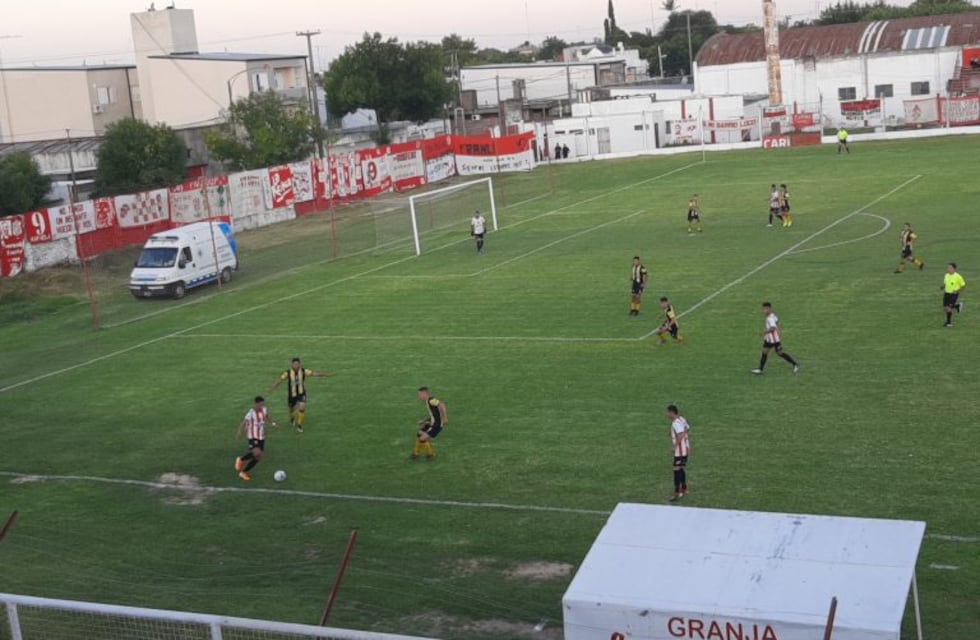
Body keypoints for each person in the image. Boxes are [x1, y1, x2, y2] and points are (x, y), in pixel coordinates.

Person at [270, 357, 333, 432]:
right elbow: (280, 380)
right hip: (292, 395)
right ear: (292, 365)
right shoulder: (288, 373)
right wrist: (273, 387)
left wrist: (324, 374)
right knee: (291, 409)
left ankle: (299, 425)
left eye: (297, 364)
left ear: (300, 364)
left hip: (301, 393)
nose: (296, 366)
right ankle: (292, 418)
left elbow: (313, 374)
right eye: (295, 364)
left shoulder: (303, 371)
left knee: (302, 408)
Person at [234, 396, 278, 481]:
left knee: (258, 457)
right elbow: (244, 423)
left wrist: (272, 423)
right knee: (257, 453)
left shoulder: (264, 409)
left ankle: (243, 471)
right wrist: (240, 432)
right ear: (256, 404)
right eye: (260, 404)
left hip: (261, 436)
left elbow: (267, 416)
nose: (262, 406)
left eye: (263, 404)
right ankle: (241, 459)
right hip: (252, 436)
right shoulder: (251, 413)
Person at [752, 302, 800, 374]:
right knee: (764, 352)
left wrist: (764, 332)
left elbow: (773, 328)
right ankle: (760, 369)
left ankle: (795, 364)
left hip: (774, 340)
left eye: (765, 309)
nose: (764, 311)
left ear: (769, 309)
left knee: (780, 353)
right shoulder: (773, 316)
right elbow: (776, 321)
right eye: (763, 309)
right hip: (768, 339)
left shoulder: (770, 318)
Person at [412, 387, 447, 460]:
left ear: (424, 393)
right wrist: (424, 421)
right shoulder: (428, 401)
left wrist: (445, 418)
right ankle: (417, 454)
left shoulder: (431, 400)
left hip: (436, 425)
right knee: (420, 433)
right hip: (432, 423)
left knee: (422, 438)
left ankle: (428, 454)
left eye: (419, 394)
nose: (419, 396)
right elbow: (434, 415)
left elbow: (442, 404)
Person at [666, 404, 690, 502]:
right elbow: (687, 428)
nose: (666, 414)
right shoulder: (682, 419)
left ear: (672, 412)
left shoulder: (676, 423)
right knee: (681, 468)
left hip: (680, 451)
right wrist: (672, 432)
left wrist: (674, 447)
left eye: (667, 412)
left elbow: (680, 434)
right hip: (686, 449)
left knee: (676, 470)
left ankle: (677, 492)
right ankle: (684, 488)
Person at [941, 262, 966, 327]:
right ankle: (957, 306)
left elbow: (963, 286)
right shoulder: (946, 275)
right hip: (946, 293)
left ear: (954, 269)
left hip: (953, 294)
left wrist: (957, 291)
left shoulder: (958, 277)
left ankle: (949, 323)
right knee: (945, 308)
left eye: (950, 268)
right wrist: (943, 287)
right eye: (948, 268)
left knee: (949, 307)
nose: (948, 269)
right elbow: (945, 283)